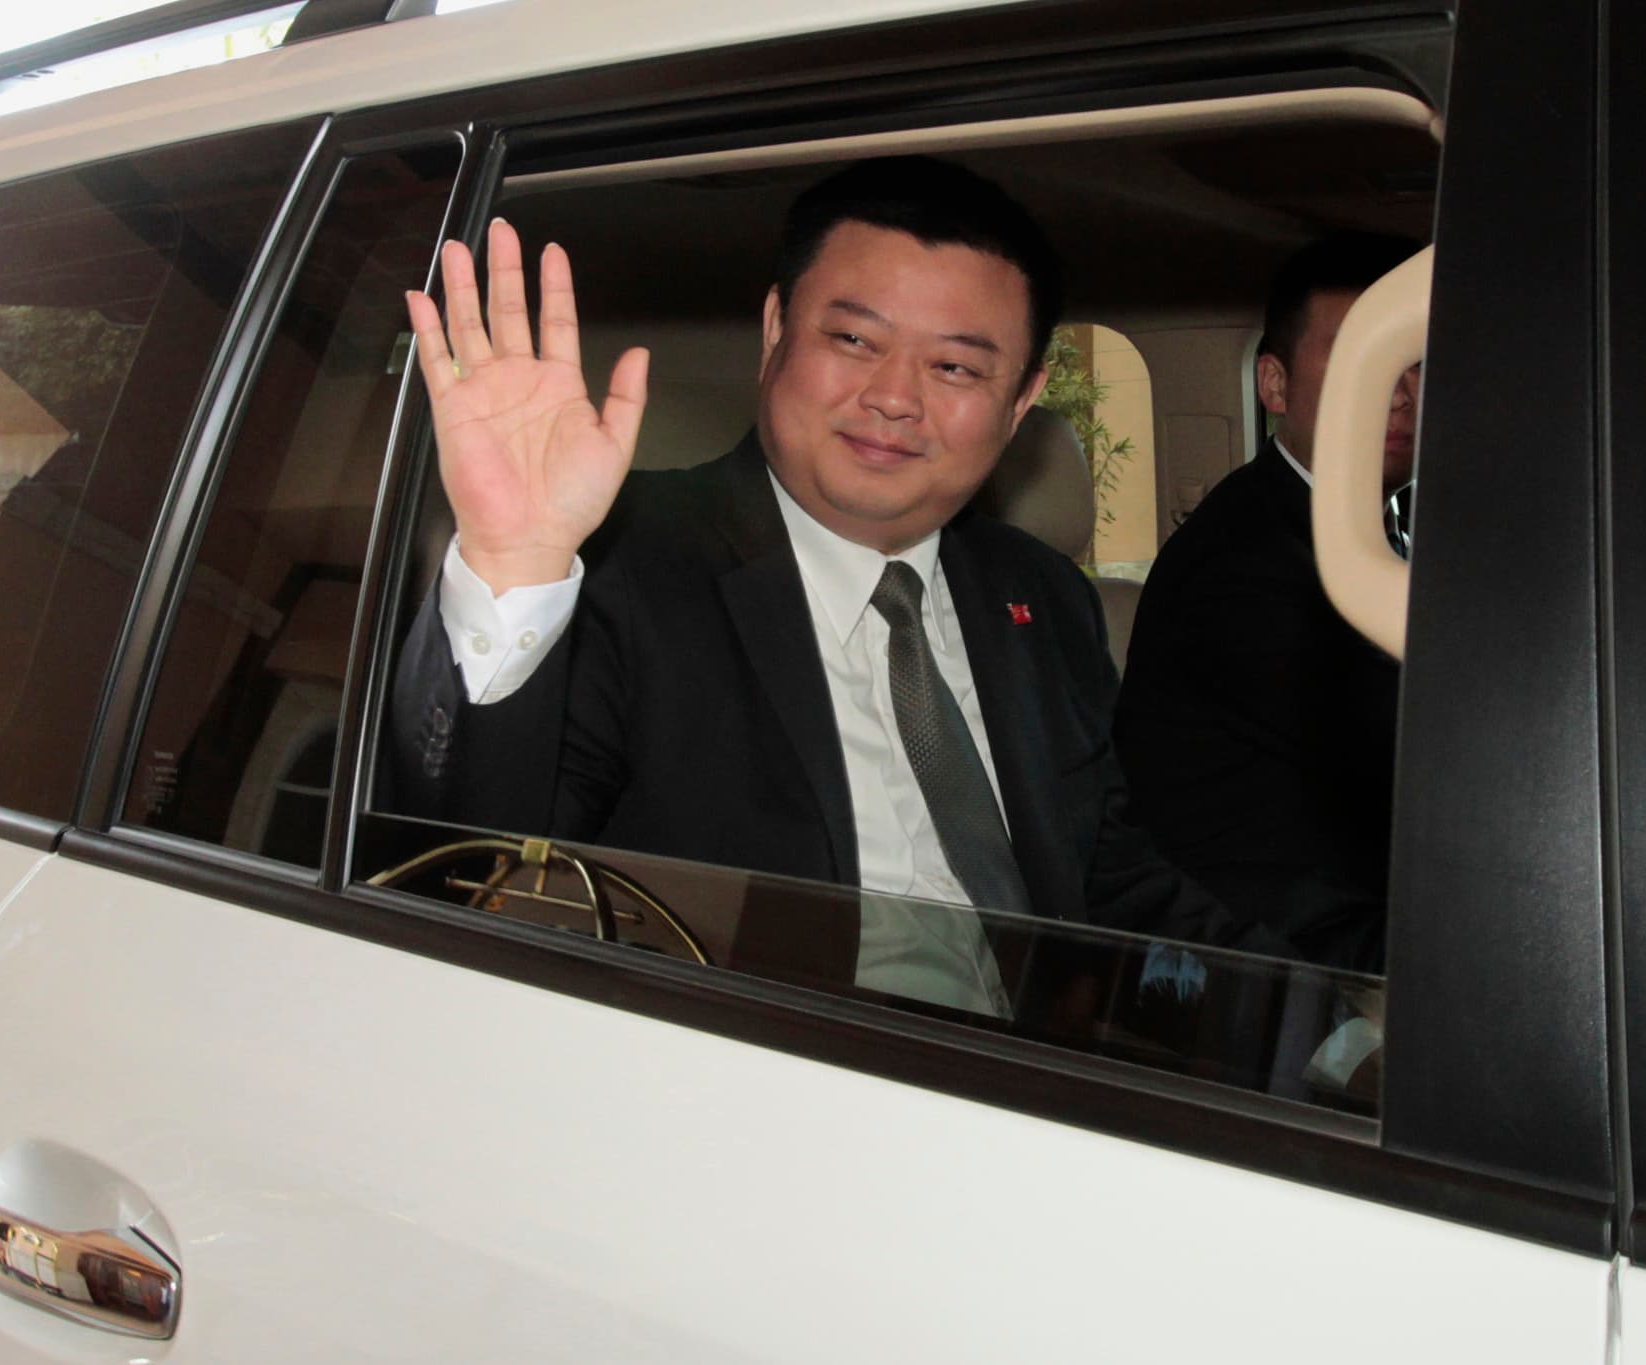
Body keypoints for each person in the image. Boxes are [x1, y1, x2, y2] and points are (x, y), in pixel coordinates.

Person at [387, 156, 1284, 1014]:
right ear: (776, 329)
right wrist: (515, 563)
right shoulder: (621, 568)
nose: (894, 397)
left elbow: (1110, 879)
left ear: (1020, 404)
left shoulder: (1041, 596)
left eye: (957, 368)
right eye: (854, 339)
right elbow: (468, 863)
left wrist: (1317, 1033)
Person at [1113, 233, 1422, 973]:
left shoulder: (1382, 527)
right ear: (1275, 388)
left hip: (1365, 895)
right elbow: (1412, 758)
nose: (1402, 388)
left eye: (1415, 357)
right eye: (1362, 357)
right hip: (1272, 947)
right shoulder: (1238, 562)